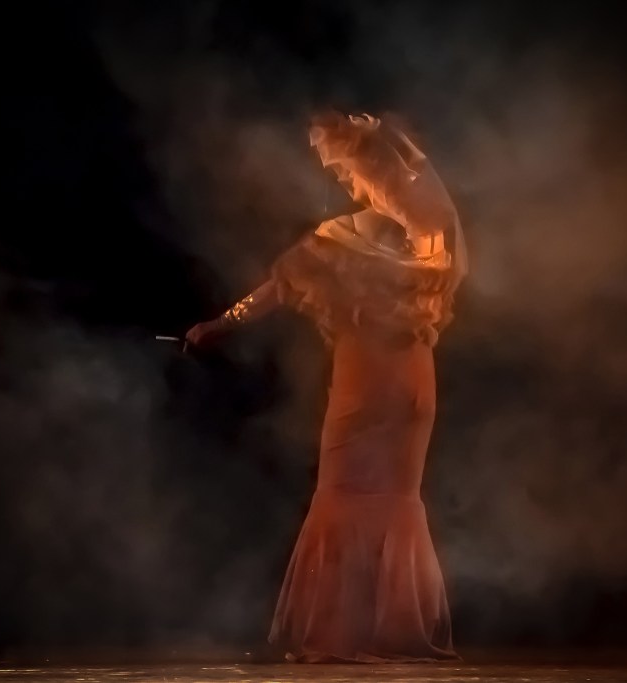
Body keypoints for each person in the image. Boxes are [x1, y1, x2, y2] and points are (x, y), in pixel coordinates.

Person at [185, 111, 467, 663]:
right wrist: (396, 143)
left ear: (367, 168)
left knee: (345, 494)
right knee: (397, 500)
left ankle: (343, 633)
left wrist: (220, 323)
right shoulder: (432, 235)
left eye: (344, 168)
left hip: (366, 381)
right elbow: (425, 183)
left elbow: (278, 287)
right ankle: (395, 631)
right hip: (414, 383)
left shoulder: (344, 236)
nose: (340, 177)